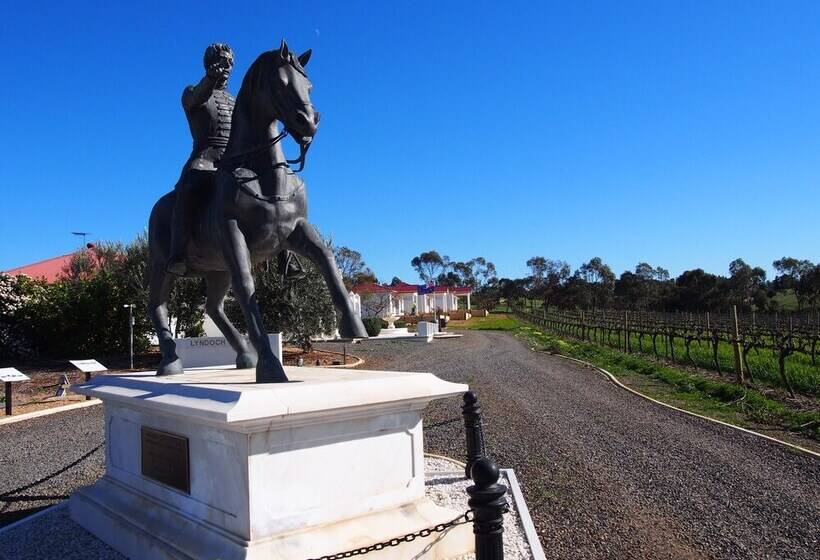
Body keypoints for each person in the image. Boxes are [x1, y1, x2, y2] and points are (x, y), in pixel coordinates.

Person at [167, 43, 235, 276]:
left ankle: (283, 254)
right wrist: (210, 79)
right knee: (189, 188)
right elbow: (198, 96)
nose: (226, 67)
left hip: (233, 162)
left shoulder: (235, 101)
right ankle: (178, 252)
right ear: (209, 63)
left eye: (229, 63)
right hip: (204, 159)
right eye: (221, 62)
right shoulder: (191, 92)